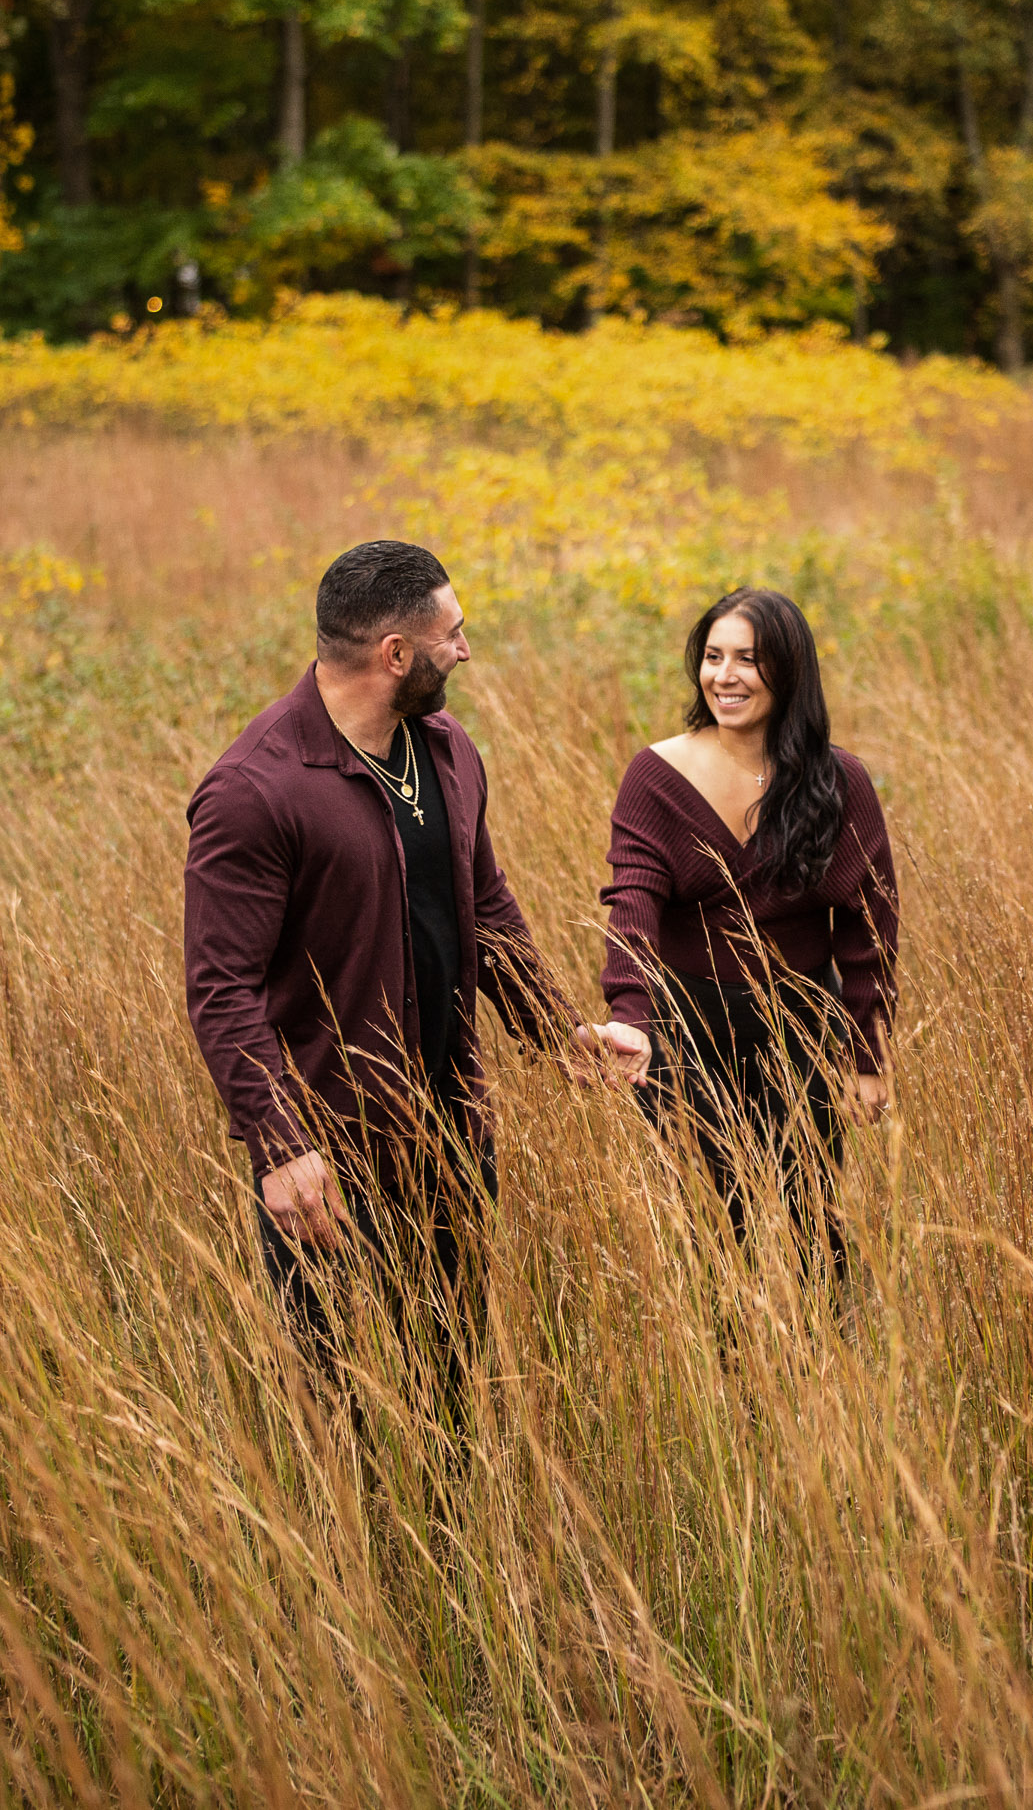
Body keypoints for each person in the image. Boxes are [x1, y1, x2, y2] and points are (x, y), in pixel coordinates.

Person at [184, 539, 649, 1420]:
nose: (465, 651)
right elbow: (221, 989)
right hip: (331, 1155)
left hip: (453, 1132)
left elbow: (486, 906)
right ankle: (344, 1563)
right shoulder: (255, 790)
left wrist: (556, 1036)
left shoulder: (444, 747)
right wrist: (280, 1149)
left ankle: (450, 1550)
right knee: (342, 1405)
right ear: (396, 655)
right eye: (454, 634)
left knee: (448, 1393)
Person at [600, 587, 898, 1280]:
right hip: (685, 1030)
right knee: (706, 1230)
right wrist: (630, 1017)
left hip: (801, 1027)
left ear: (789, 672)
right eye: (712, 657)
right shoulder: (656, 776)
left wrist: (869, 1055)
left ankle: (814, 1374)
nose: (724, 676)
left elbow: (869, 925)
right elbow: (632, 905)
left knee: (809, 1225)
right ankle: (718, 1377)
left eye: (747, 659)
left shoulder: (839, 780)